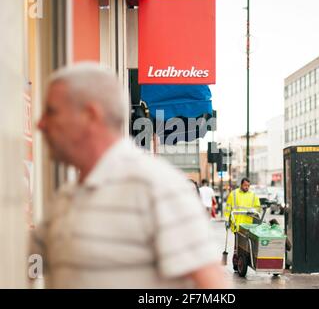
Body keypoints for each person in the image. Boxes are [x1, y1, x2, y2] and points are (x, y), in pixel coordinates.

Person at [32, 62, 228, 289]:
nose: (40, 124)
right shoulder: (66, 195)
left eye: (52, 111)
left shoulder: (157, 188)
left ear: (90, 115)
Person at [224, 178, 261, 271]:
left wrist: (254, 211)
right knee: (237, 246)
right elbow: (228, 207)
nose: (247, 187)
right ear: (241, 184)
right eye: (245, 185)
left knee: (246, 246)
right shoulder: (234, 194)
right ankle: (236, 264)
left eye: (248, 186)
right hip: (237, 224)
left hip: (248, 226)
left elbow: (258, 208)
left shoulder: (253, 195)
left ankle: (243, 262)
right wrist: (226, 220)